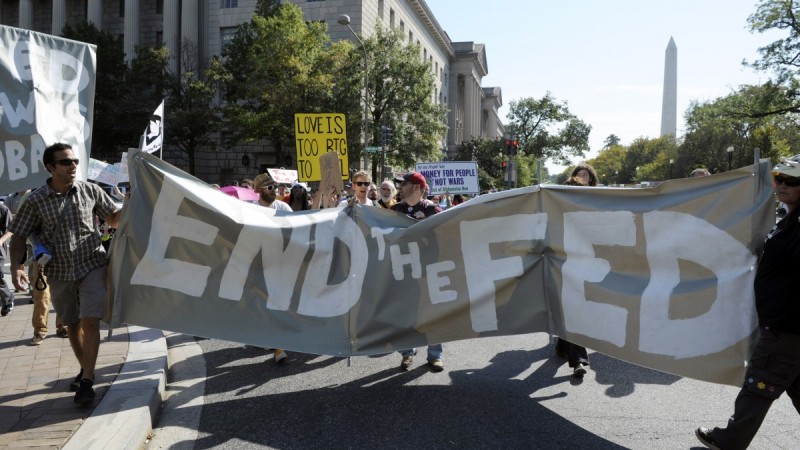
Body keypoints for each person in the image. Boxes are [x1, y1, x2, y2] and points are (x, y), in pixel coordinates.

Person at [695, 155, 800, 450]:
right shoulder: (789, 217)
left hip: (787, 327)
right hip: (786, 325)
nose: (780, 185)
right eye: (778, 178)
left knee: (759, 385)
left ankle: (729, 441)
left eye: (790, 181)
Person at [9, 142, 122, 405]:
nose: (73, 166)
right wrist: (16, 267)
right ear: (50, 167)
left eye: (74, 161)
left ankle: (87, 380)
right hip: (58, 271)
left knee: (90, 320)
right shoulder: (35, 200)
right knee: (71, 323)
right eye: (66, 162)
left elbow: (114, 220)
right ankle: (87, 369)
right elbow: (19, 235)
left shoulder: (90, 190)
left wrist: (132, 204)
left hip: (92, 264)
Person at [391, 172, 444, 372]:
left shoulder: (433, 210)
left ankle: (435, 355)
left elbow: (443, 236)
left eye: (404, 184)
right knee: (403, 314)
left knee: (432, 313)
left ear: (416, 187)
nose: (400, 187)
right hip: (403, 270)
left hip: (428, 270)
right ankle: (406, 352)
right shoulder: (395, 209)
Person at [555, 166, 599, 378]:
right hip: (564, 260)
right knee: (573, 308)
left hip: (587, 262)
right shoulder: (561, 200)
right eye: (579, 175)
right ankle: (579, 360)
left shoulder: (599, 201)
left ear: (592, 180)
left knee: (576, 308)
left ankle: (564, 345)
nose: (583, 178)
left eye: (586, 175)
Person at [252, 172, 292, 364]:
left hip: (280, 263)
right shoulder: (248, 209)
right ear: (259, 191)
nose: (275, 190)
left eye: (275, 187)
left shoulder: (283, 206)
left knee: (278, 303)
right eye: (270, 188)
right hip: (257, 265)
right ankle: (267, 335)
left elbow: (296, 228)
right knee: (262, 303)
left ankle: (279, 346)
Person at [0, 202, 14, 317]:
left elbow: (11, 229)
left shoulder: (2, 209)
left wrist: (1, 240)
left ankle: (8, 300)